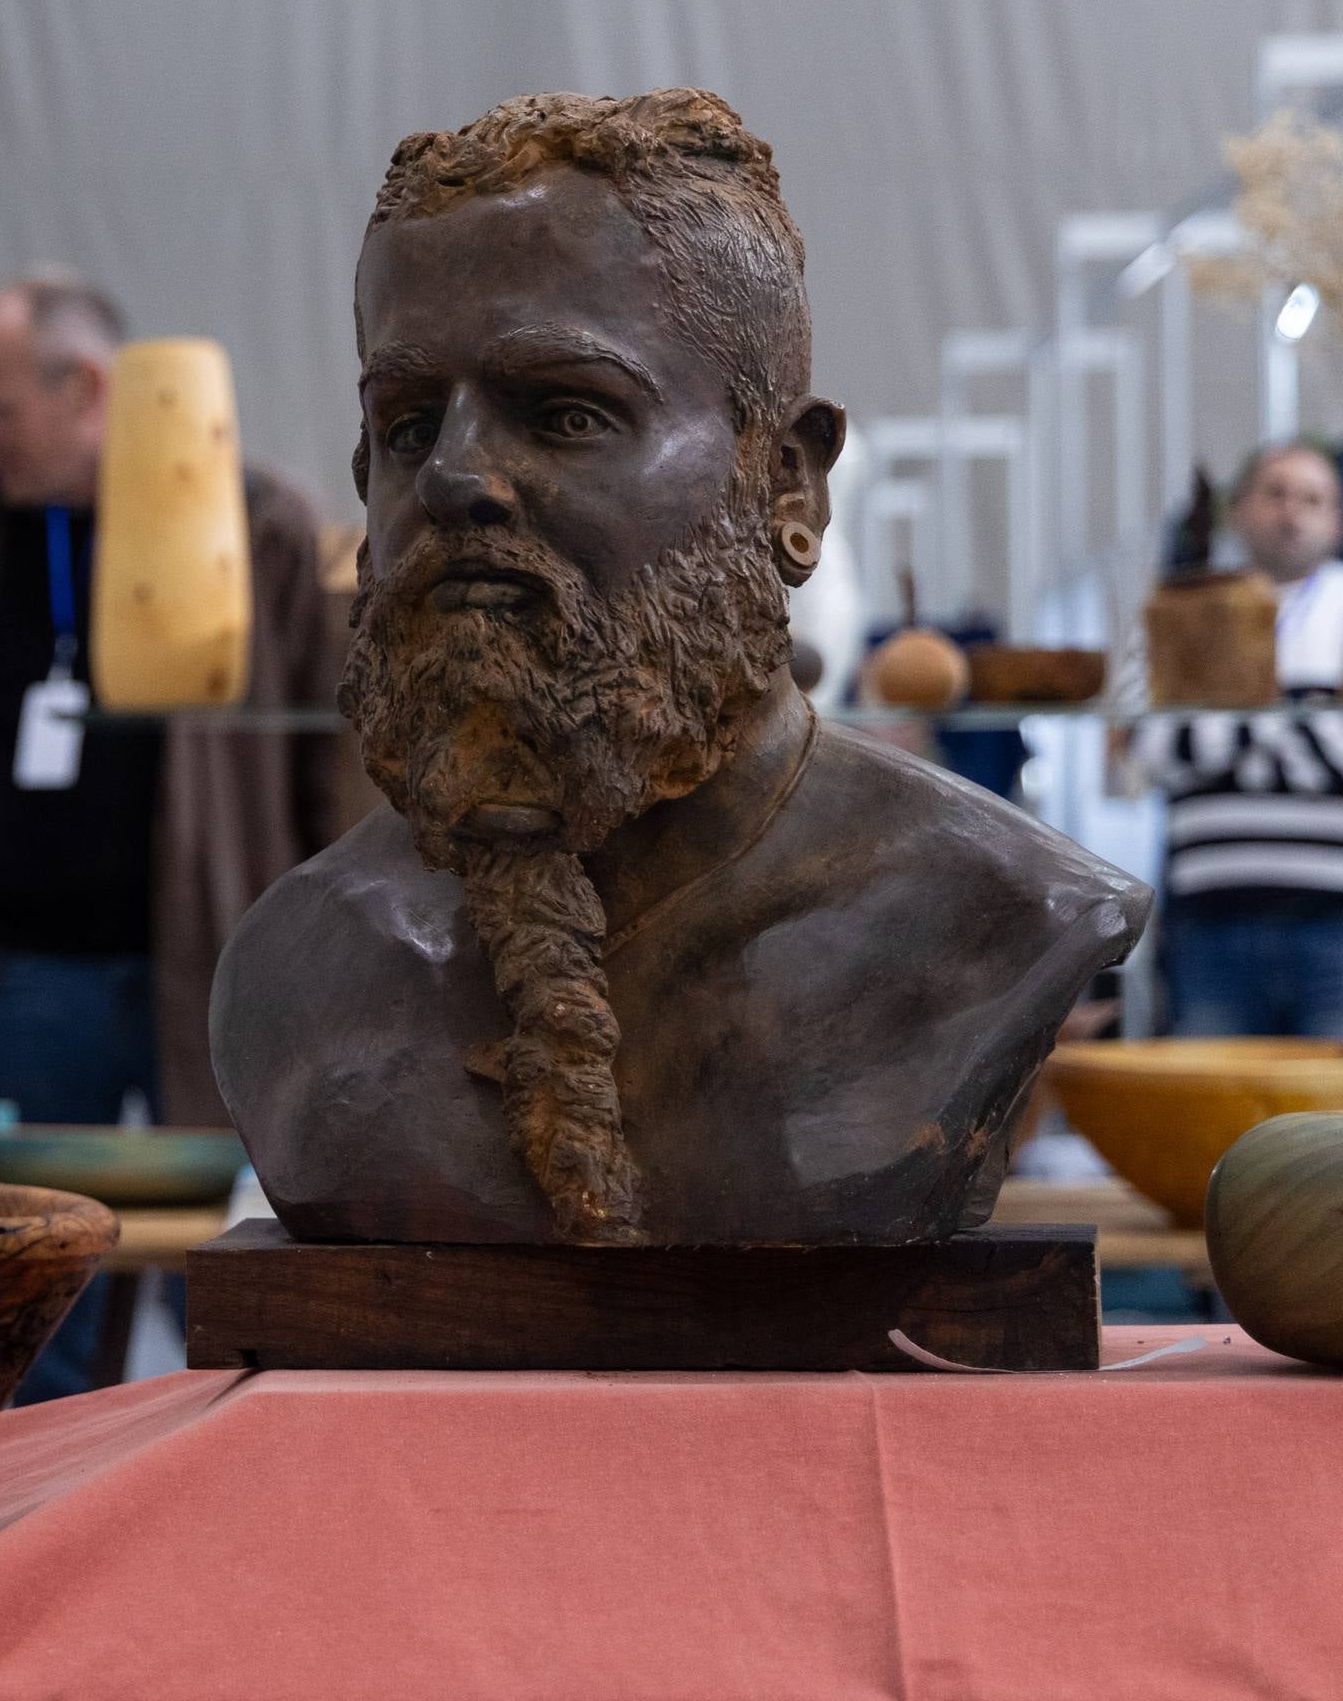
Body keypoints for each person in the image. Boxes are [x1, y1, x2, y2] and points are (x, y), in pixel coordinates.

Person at [212, 88, 1144, 1247]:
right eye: (407, 426)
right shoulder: (296, 968)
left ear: (787, 486)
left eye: (563, 414)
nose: (452, 477)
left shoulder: (996, 918)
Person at [0, 274, 337, 1395]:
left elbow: (327, 766)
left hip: (215, 966)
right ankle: (22, 1516)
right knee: (27, 1283)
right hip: (30, 970)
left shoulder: (258, 529)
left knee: (243, 1256)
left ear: (86, 387)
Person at [1137, 442, 1343, 1037]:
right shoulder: (1189, 606)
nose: (1291, 512)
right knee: (1214, 1122)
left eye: (1312, 499)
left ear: (1340, 523)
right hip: (1212, 922)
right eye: (1276, 493)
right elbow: (1159, 751)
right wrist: (1311, 713)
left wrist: (1233, 721)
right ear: (1239, 511)